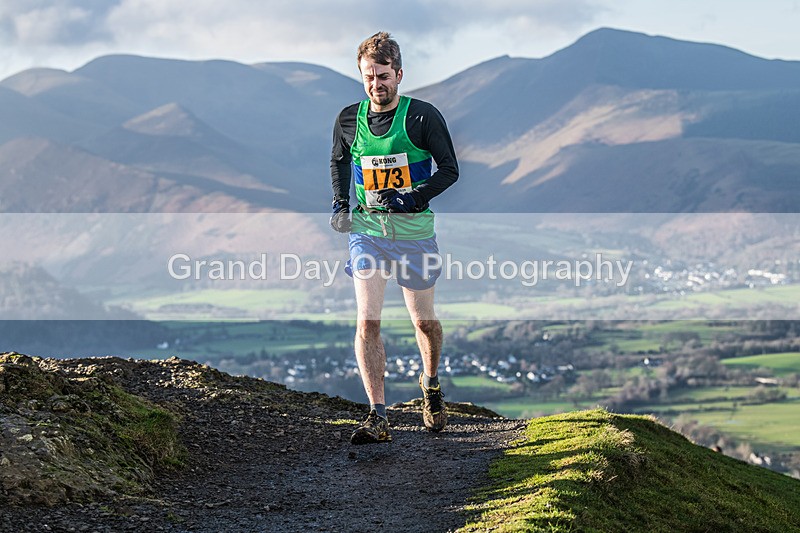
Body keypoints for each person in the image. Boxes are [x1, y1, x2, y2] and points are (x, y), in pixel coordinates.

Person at [329, 31, 459, 444]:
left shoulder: (422, 117)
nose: (375, 85)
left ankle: (431, 385)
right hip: (369, 231)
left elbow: (450, 169)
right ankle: (377, 415)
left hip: (415, 233)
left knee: (423, 321)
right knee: (367, 320)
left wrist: (411, 197)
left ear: (399, 75)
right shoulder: (349, 119)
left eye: (382, 76)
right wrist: (340, 204)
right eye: (368, 77)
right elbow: (338, 160)